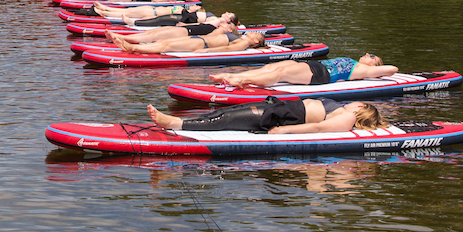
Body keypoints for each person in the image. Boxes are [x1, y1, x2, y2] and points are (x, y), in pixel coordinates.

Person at [146, 97, 384, 134]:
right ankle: (177, 121)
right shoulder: (344, 110)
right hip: (280, 107)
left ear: (361, 107)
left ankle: (175, 123)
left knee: (227, 120)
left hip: (283, 117)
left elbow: (318, 129)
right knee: (226, 113)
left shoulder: (348, 118)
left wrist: (284, 130)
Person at [207, 53, 398, 88]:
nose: (367, 54)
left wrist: (376, 67)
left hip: (322, 75)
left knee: (281, 73)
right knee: (274, 66)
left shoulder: (365, 70)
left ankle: (242, 82)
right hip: (316, 66)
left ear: (375, 66)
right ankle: (232, 76)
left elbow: (393, 69)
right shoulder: (358, 63)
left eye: (372, 56)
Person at [104, 13, 241, 46]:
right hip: (184, 30)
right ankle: (121, 37)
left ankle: (121, 38)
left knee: (152, 36)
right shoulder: (215, 25)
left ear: (229, 25)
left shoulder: (218, 28)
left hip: (185, 32)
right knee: (151, 33)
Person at [112, 30, 269, 55]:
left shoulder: (244, 43)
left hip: (202, 45)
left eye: (256, 33)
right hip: (198, 39)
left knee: (166, 47)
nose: (254, 32)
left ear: (256, 40)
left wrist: (207, 52)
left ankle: (133, 48)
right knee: (163, 41)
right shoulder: (241, 38)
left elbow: (228, 50)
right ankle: (137, 46)